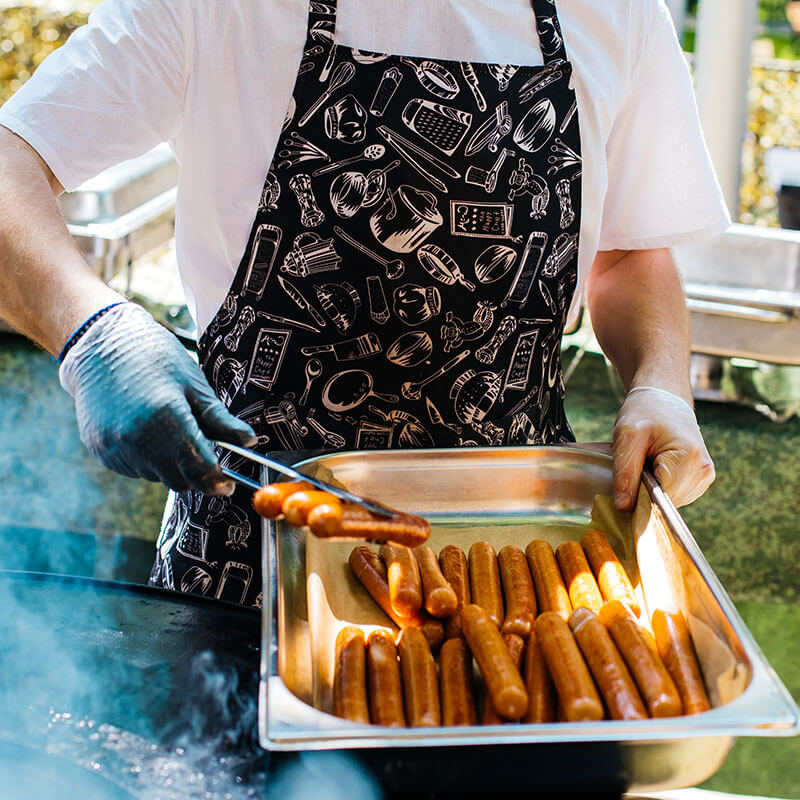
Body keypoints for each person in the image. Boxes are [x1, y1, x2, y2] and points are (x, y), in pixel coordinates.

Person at [0, 0, 729, 607]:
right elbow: (11, 161)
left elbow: (629, 255)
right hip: (252, 552)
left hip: (514, 562)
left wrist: (661, 383)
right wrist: (94, 329)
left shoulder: (617, 10)